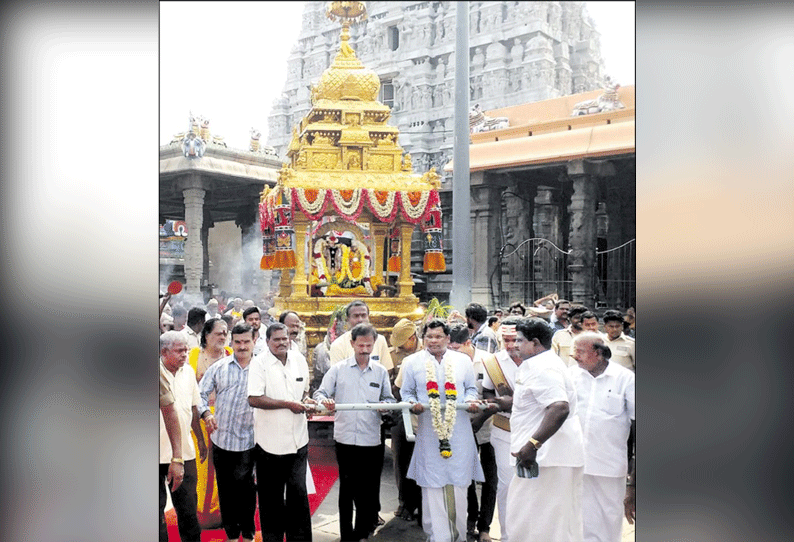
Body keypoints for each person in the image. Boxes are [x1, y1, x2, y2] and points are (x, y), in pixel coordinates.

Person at [400, 319, 485, 542]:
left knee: (458, 483)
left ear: (448, 339)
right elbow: (406, 392)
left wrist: (470, 401)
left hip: (459, 432)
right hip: (429, 431)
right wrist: (412, 405)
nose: (434, 341)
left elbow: (469, 389)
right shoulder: (412, 362)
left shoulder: (462, 361)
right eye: (429, 337)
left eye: (439, 336)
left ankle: (457, 537)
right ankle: (436, 536)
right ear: (423, 339)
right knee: (431, 484)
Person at [314, 323, 396, 542]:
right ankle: (345, 534)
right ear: (352, 344)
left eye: (369, 345)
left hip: (371, 439)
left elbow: (389, 399)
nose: (365, 350)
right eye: (361, 345)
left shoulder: (379, 372)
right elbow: (320, 393)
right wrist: (326, 401)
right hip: (345, 438)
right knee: (347, 489)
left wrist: (385, 405)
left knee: (367, 490)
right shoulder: (338, 369)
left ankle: (362, 533)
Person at [508, 317, 585, 542]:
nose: (514, 345)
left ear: (534, 343)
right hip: (549, 457)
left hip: (547, 458)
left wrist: (532, 444)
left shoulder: (543, 367)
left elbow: (559, 407)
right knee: (543, 522)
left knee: (538, 524)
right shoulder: (538, 363)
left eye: (519, 340)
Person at [247, 323, 316, 542]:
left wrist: (308, 402)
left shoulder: (299, 360)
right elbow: (254, 398)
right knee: (270, 499)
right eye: (276, 339)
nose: (282, 343)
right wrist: (287, 404)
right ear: (267, 342)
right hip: (269, 444)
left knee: (298, 494)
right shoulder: (259, 364)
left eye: (284, 338)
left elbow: (304, 392)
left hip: (298, 441)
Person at [568, 333, 635, 542]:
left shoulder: (625, 378)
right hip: (574, 461)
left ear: (597, 354)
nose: (574, 356)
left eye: (579, 351)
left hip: (609, 464)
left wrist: (634, 472)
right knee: (575, 517)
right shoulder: (571, 376)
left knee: (608, 518)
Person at [198, 323, 258, 542]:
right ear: (232, 343)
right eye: (238, 342)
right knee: (225, 489)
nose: (242, 347)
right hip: (222, 439)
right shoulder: (220, 367)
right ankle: (232, 535)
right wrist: (206, 414)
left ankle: (248, 534)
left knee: (248, 490)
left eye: (246, 342)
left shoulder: (262, 369)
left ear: (254, 341)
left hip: (250, 441)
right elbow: (200, 394)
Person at [447, 324, 497, 542]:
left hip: (487, 428)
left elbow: (494, 395)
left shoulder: (488, 361)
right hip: (460, 427)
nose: (452, 352)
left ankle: (485, 526)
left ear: (469, 343)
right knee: (464, 475)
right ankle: (470, 518)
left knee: (489, 478)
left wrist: (480, 419)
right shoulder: (447, 361)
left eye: (456, 348)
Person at [159, 331, 209, 542]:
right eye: (179, 351)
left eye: (186, 350)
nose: (185, 355)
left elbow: (193, 408)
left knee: (188, 508)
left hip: (184, 452)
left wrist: (200, 439)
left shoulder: (188, 372)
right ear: (164, 352)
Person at [478, 317, 525, 542]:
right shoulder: (493, 362)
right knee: (506, 487)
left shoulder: (539, 360)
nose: (510, 345)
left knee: (532, 486)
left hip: (535, 433)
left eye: (514, 339)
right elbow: (487, 391)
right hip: (504, 431)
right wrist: (499, 402)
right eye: (505, 340)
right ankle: (508, 536)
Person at [390, 319, 423, 523]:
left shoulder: (425, 353)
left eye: (404, 343)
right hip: (401, 412)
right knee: (401, 460)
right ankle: (405, 502)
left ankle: (421, 504)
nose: (400, 347)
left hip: (425, 415)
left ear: (413, 338)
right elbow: (393, 386)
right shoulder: (392, 354)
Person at [330, 300, 394, 375]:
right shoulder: (338, 345)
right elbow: (337, 375)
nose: (360, 320)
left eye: (363, 315)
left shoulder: (380, 340)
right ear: (347, 319)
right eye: (356, 316)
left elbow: (387, 370)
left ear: (368, 317)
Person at [189, 318, 232, 383]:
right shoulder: (194, 355)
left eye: (225, 335)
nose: (223, 338)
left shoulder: (230, 355)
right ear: (206, 335)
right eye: (218, 334)